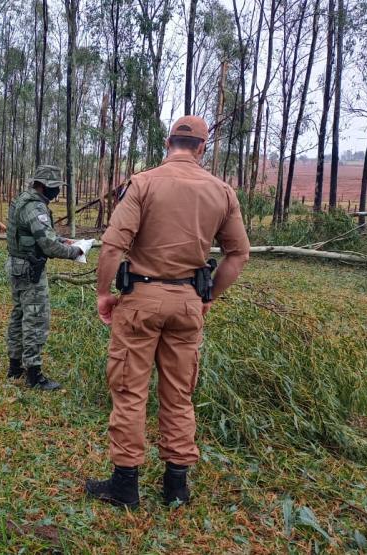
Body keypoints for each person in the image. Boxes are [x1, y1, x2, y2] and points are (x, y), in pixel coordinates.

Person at [85, 116, 250, 508]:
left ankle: (125, 486)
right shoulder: (222, 192)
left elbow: (112, 247)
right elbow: (238, 254)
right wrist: (208, 297)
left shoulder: (142, 184)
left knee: (129, 391)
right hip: (188, 303)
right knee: (179, 394)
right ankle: (176, 486)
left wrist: (104, 293)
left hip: (141, 300)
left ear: (167, 142)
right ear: (202, 147)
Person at [5, 165, 84, 390]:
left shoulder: (24, 200)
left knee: (19, 314)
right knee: (35, 319)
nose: (57, 192)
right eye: (55, 187)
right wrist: (76, 251)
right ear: (44, 186)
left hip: (18, 265)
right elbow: (47, 245)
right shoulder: (35, 206)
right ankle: (34, 374)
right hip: (30, 269)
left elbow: (39, 234)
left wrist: (62, 240)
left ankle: (15, 366)